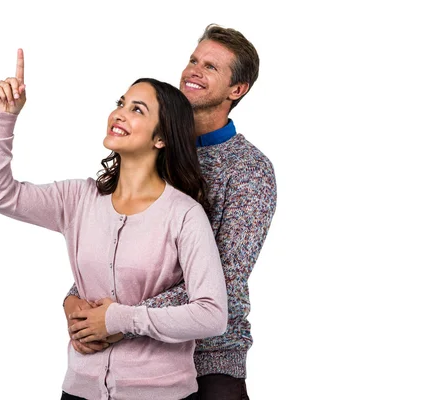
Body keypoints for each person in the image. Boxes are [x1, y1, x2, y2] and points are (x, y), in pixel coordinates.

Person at [0, 49, 228, 400]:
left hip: (159, 394)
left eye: (136, 110)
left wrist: (118, 320)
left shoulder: (184, 215)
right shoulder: (78, 199)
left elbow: (211, 315)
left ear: (162, 138)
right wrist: (4, 120)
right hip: (79, 390)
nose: (119, 114)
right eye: (121, 103)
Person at [64, 24, 277, 400]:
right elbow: (114, 242)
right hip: (134, 360)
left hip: (210, 358)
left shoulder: (248, 170)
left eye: (211, 67)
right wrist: (77, 301)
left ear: (237, 89)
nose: (194, 70)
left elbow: (223, 280)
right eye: (194, 60)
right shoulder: (149, 149)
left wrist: (117, 319)